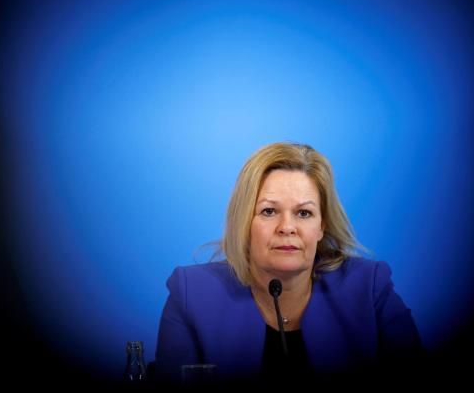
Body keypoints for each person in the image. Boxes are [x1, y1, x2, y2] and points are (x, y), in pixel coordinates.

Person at [155, 142, 424, 384]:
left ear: (322, 226)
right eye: (269, 211)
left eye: (304, 213)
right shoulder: (191, 293)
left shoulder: (369, 287)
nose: (287, 227)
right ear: (244, 222)